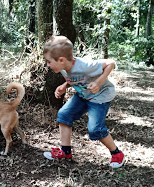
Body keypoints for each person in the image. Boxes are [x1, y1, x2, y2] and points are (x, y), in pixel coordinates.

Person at [42, 35, 125, 168]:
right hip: (84, 94)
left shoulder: (85, 65)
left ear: (61, 59)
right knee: (64, 115)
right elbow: (75, 78)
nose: (48, 65)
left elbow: (111, 63)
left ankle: (117, 154)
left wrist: (98, 82)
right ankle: (65, 152)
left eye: (49, 61)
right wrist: (64, 86)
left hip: (100, 96)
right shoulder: (64, 67)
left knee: (95, 129)